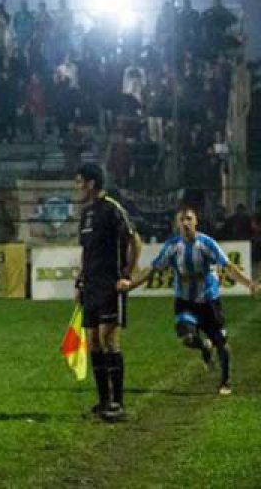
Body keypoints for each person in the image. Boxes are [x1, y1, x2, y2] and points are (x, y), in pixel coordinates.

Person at [117, 206, 260, 395]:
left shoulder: (207, 244)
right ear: (177, 224)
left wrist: (249, 284)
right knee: (187, 338)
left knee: (221, 343)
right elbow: (153, 269)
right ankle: (204, 346)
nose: (185, 223)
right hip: (185, 301)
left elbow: (228, 266)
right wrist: (132, 285)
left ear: (196, 221)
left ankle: (225, 381)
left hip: (209, 301)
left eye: (189, 219)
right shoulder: (172, 246)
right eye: (182, 220)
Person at [74, 164, 142, 422]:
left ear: (91, 183)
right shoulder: (86, 214)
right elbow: (86, 251)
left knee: (109, 340)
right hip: (91, 286)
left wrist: (127, 275)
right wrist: (80, 281)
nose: (77, 187)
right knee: (93, 341)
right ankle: (103, 401)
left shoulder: (112, 208)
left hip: (110, 285)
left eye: (79, 182)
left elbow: (135, 240)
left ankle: (118, 403)